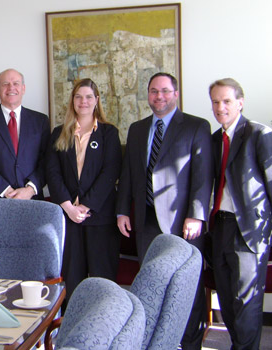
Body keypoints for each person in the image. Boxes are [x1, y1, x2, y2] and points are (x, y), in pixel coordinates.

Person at [116, 72, 213, 349]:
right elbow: (128, 174)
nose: (159, 96)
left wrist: (196, 214)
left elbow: (203, 175)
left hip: (183, 222)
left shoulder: (196, 126)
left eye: (165, 91)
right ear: (148, 95)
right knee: (152, 285)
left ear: (176, 94)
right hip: (145, 220)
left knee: (187, 288)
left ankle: (191, 344)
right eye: (154, 91)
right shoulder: (137, 129)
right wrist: (122, 210)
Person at [208, 78, 272, 350]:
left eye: (226, 101)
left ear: (240, 103)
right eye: (215, 102)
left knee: (246, 305)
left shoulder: (259, 134)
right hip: (220, 228)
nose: (220, 107)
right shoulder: (213, 140)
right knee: (226, 302)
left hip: (249, 232)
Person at [46, 78, 122, 304]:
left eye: (89, 96)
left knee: (103, 280)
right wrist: (69, 207)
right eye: (78, 96)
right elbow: (52, 173)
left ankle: (104, 329)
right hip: (68, 218)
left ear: (97, 100)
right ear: (72, 101)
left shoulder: (109, 133)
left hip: (99, 218)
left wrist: (86, 205)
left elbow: (111, 172)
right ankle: (70, 330)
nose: (84, 101)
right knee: (71, 280)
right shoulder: (60, 133)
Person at [0, 68, 50, 199]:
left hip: (32, 200)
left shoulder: (40, 121)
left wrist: (30, 189)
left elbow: (47, 160)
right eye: (5, 84)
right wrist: (5, 190)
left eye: (16, 83)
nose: (11, 88)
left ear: (23, 89)